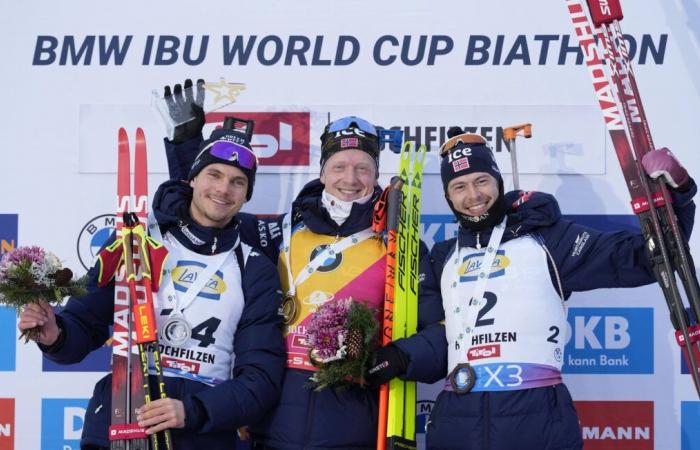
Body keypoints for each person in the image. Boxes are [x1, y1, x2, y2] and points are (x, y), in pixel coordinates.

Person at [162, 95, 445, 448]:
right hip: (272, 422)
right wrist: (188, 150)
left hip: (353, 425)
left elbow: (441, 335)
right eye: (339, 166)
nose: (351, 179)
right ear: (323, 172)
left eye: (363, 168)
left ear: (376, 175)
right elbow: (208, 211)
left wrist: (401, 357)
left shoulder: (400, 245)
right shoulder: (279, 232)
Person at [410, 127, 696, 450]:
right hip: (457, 427)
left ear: (498, 182)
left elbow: (645, 257)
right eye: (459, 186)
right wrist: (395, 357)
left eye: (481, 181)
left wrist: (679, 195)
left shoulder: (546, 239)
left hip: (537, 424)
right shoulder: (443, 257)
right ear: (448, 196)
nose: (473, 196)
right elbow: (437, 343)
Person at [18, 118, 286, 450]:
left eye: (238, 182)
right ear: (192, 178)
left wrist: (195, 410)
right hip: (120, 420)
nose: (223, 189)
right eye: (213, 175)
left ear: (247, 195)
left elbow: (260, 380)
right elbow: (84, 323)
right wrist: (56, 335)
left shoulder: (254, 268)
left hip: (201, 434)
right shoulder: (136, 242)